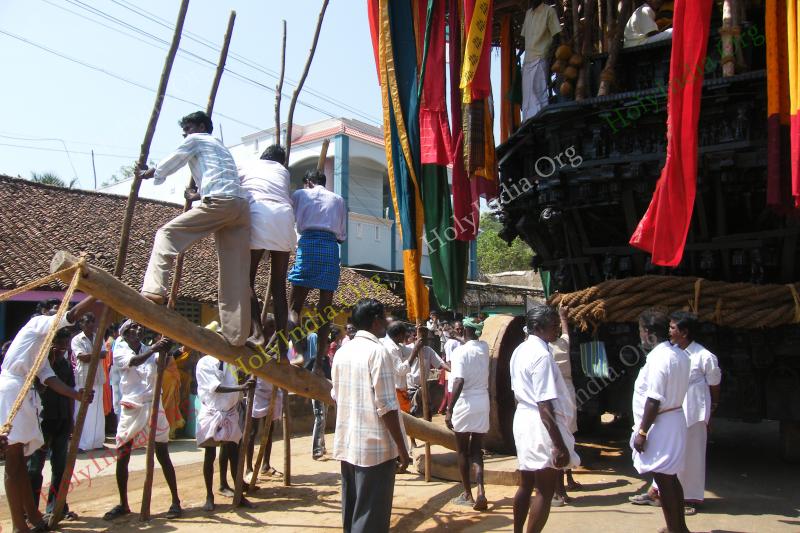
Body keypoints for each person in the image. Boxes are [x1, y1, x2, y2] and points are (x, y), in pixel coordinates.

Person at [135, 111, 252, 348]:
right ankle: (237, 335)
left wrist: (149, 173)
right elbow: (222, 180)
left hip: (220, 203)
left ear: (199, 127)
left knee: (166, 234)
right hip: (239, 207)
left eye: (187, 129)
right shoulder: (221, 148)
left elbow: (174, 159)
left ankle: (154, 289)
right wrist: (198, 194)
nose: (185, 134)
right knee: (234, 274)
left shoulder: (196, 140)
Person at [0, 296, 96, 532]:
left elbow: (49, 378)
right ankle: (18, 525)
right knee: (14, 463)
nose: (57, 314)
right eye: (54, 311)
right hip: (12, 392)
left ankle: (33, 517)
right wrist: (98, 296)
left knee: (20, 462)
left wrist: (77, 396)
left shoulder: (41, 348)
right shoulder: (38, 325)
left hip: (24, 393)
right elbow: (70, 317)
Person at [331, 298, 410, 533]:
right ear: (376, 322)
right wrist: (402, 450)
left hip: (349, 444)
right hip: (375, 449)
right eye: (384, 317)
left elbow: (336, 395)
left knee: (353, 508)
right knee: (371, 517)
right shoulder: (378, 352)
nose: (387, 321)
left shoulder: (342, 352)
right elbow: (386, 406)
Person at [510, 304, 580, 533]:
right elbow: (544, 403)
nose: (557, 330)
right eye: (553, 326)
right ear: (538, 327)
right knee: (545, 491)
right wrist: (559, 444)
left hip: (523, 420)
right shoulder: (541, 356)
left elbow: (517, 394)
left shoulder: (520, 351)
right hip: (540, 425)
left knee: (526, 483)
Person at [104, 320, 181, 521]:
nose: (139, 330)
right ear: (126, 333)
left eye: (140, 327)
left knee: (162, 453)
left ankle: (176, 501)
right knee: (123, 454)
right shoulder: (120, 349)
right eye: (134, 328)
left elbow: (160, 365)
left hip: (153, 405)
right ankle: (124, 503)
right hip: (132, 408)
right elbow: (135, 361)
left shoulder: (148, 349)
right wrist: (156, 348)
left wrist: (168, 350)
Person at [630, 309, 691, 533]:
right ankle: (679, 527)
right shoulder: (680, 355)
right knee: (670, 479)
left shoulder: (658, 358)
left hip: (661, 425)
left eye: (640, 331)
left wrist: (642, 432)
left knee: (665, 483)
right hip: (674, 420)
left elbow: (654, 400)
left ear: (647, 333)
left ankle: (676, 529)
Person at [240, 143, 295, 353]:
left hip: (259, 212)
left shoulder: (248, 165)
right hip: (284, 218)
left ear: (263, 156)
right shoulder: (283, 171)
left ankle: (257, 333)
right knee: (279, 287)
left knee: (246, 279)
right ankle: (283, 348)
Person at [288, 169, 347, 365]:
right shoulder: (338, 199)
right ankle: (320, 363)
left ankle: (297, 350)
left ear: (309, 182)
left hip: (308, 245)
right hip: (330, 248)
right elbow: (341, 237)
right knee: (325, 310)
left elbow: (291, 219)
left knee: (294, 307)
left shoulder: (300, 194)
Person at [670, 311, 721, 510]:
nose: (669, 331)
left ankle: (689, 498)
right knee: (673, 452)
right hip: (674, 411)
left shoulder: (704, 356)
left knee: (693, 456)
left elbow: (715, 383)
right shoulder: (671, 352)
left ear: (684, 332)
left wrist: (713, 407)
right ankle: (660, 492)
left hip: (695, 413)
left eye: (673, 327)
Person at [27, 328, 79, 522]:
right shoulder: (41, 364)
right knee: (35, 467)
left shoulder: (66, 365)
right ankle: (30, 509)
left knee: (59, 466)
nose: (63, 348)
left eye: (66, 345)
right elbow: (38, 388)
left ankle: (57, 507)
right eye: (60, 344)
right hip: (43, 421)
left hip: (62, 419)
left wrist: (72, 419)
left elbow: (71, 391)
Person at [195, 349, 254, 511]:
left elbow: (236, 380)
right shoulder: (205, 362)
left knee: (234, 455)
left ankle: (238, 496)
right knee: (210, 455)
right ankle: (209, 496)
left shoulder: (230, 360)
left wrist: (243, 380)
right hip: (211, 413)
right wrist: (241, 386)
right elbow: (216, 387)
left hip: (230, 413)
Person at [445, 317, 490, 511]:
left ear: (464, 330)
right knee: (477, 451)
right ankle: (481, 490)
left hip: (464, 403)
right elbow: (471, 344)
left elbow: (459, 381)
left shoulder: (460, 352)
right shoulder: (484, 348)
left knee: (462, 451)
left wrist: (449, 409)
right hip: (482, 401)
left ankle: (467, 494)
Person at [549, 305, 580, 506]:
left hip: (555, 393)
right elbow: (567, 332)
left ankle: (558, 491)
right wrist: (563, 316)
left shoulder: (544, 349)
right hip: (568, 392)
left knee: (557, 439)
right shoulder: (563, 343)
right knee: (568, 435)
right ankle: (567, 481)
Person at [520, 0, 562, 120]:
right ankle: (529, 121)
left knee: (538, 93)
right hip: (527, 60)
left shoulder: (549, 11)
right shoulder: (528, 14)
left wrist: (551, 56)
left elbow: (556, 36)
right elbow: (524, 38)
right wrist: (519, 55)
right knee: (528, 97)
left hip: (540, 57)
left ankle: (541, 121)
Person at [71, 312, 107, 451]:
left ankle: (97, 442)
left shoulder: (98, 337)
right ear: (81, 324)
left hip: (97, 377)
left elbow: (104, 354)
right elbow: (82, 357)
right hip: (83, 378)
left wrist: (93, 355)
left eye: (93, 321)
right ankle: (81, 443)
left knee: (97, 411)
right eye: (88, 322)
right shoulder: (77, 339)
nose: (91, 324)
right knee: (82, 410)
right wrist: (97, 354)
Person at [300, 330, 329, 460]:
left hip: (326, 393)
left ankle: (322, 446)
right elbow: (304, 373)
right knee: (320, 418)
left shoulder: (326, 359)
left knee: (324, 418)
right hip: (316, 393)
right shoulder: (313, 360)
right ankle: (316, 450)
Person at [381, 322, 415, 414]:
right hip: (396, 390)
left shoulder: (397, 346)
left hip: (400, 389)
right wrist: (415, 352)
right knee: (403, 418)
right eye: (404, 334)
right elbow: (401, 370)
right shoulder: (390, 348)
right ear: (400, 335)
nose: (405, 337)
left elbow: (408, 351)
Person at [438, 321, 463, 414]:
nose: (459, 331)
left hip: (460, 372)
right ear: (453, 330)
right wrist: (454, 372)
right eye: (457, 329)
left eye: (461, 328)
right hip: (452, 372)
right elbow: (449, 362)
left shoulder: (462, 341)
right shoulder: (450, 343)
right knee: (449, 392)